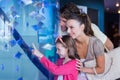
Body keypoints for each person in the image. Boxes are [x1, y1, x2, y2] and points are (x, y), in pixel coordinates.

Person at [66, 12, 120, 80]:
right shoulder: (70, 43)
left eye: (71, 27)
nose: (68, 31)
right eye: (67, 27)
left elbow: (101, 69)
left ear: (82, 27)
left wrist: (83, 69)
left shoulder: (96, 43)